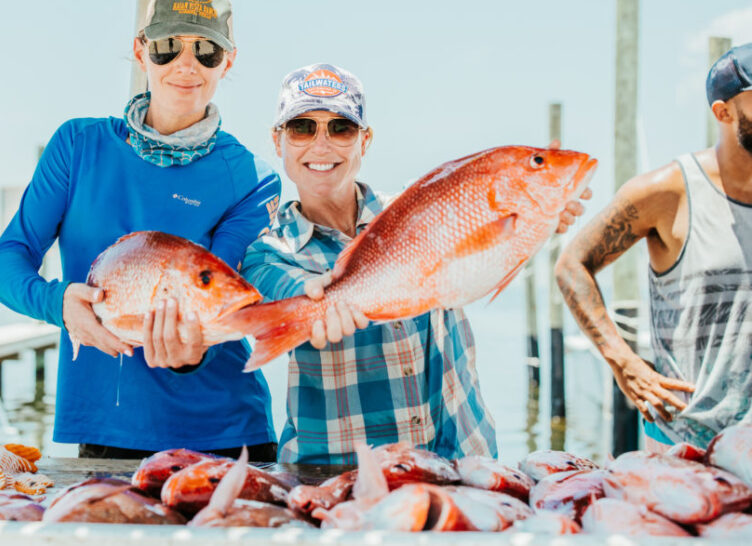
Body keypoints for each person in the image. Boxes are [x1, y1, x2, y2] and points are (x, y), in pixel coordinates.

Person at [0, 0, 281, 460]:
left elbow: (221, 301)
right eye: (168, 46)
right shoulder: (77, 146)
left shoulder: (253, 179)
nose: (185, 64)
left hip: (225, 436)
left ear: (227, 62)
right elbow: (7, 260)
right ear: (140, 51)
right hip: (106, 429)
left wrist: (192, 352)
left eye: (206, 51)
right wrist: (56, 302)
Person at [239, 63, 589, 465]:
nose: (322, 144)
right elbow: (290, 291)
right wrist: (314, 300)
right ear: (277, 140)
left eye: (341, 128)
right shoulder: (267, 252)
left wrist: (539, 225)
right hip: (339, 478)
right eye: (302, 127)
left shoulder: (416, 209)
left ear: (364, 140)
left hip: (464, 460)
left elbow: (486, 260)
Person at [555, 43, 752, 450]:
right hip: (685, 446)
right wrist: (622, 361)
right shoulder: (668, 192)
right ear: (723, 112)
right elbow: (572, 264)